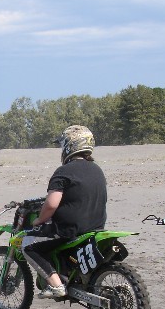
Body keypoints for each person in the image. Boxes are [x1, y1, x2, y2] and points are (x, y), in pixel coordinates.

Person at [21, 125, 107, 298]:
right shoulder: (97, 170)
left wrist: (39, 220)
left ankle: (56, 286)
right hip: (96, 226)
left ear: (69, 146)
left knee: (27, 244)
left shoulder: (64, 172)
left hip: (69, 229)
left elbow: (51, 204)